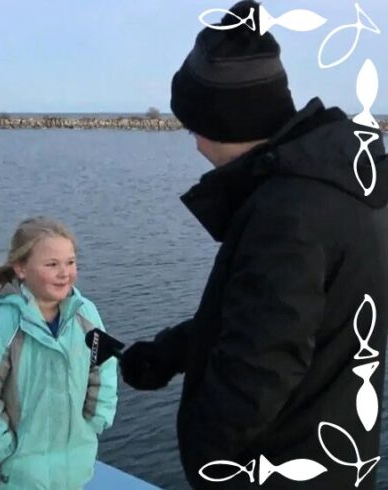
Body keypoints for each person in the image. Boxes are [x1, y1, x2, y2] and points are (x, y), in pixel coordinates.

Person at [120, 2, 388, 489]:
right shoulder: (344, 183)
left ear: (227, 122)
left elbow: (262, 364)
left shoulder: (289, 213)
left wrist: (206, 455)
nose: (195, 142)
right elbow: (270, 311)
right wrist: (170, 352)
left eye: (194, 126)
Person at [0, 217, 118, 489]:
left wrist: (96, 419)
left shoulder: (86, 313)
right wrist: (2, 448)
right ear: (21, 268)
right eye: (51, 265)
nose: (64, 273)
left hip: (74, 462)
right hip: (21, 470)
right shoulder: (0, 325)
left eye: (70, 262)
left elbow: (103, 368)